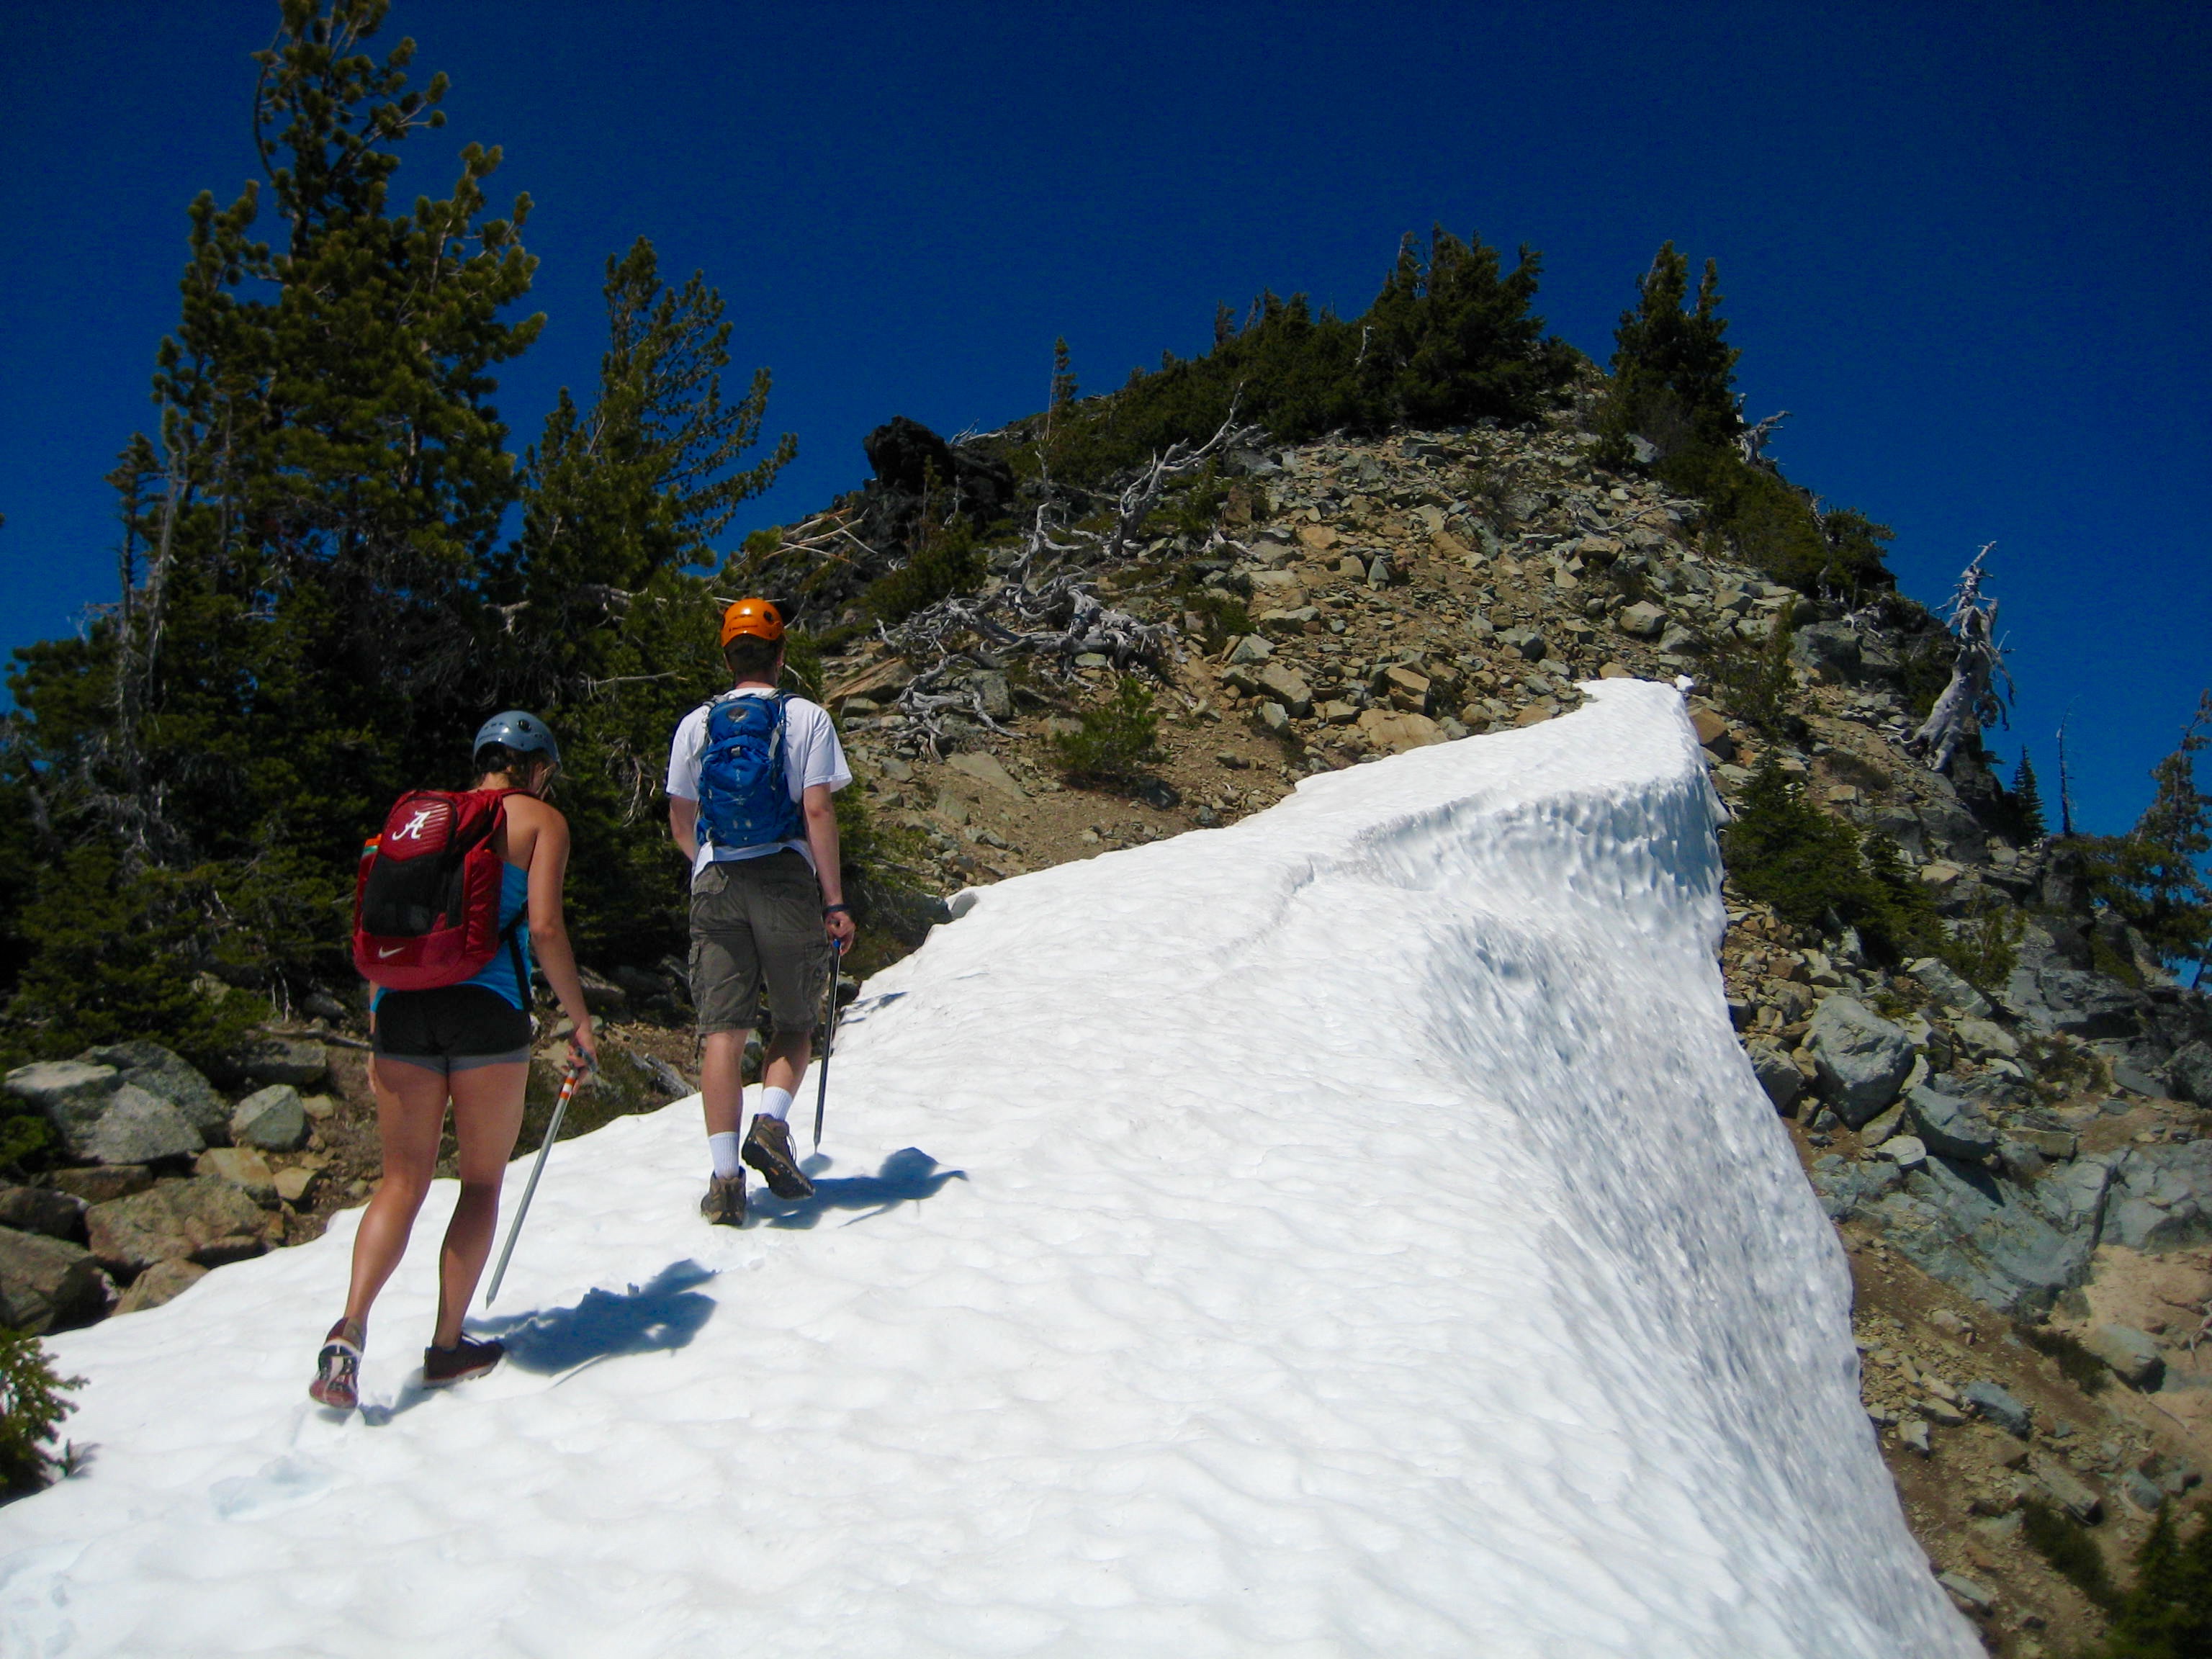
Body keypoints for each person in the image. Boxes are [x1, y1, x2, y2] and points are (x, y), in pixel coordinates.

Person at [309, 712, 599, 1409]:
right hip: (486, 1012)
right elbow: (545, 926)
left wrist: (379, 1011)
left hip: (403, 1009)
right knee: (478, 1184)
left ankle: (346, 1336)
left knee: (400, 1183)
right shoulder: (539, 822)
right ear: (538, 766)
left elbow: (384, 921)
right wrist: (580, 1017)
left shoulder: (415, 823)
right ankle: (446, 1349)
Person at [666, 598, 855, 1226]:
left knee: (721, 1032)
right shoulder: (805, 717)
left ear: (727, 655)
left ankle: (725, 1184)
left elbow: (679, 820)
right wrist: (833, 901)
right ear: (780, 656)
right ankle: (770, 1125)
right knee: (796, 1021)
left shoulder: (696, 725)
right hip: (785, 873)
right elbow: (819, 811)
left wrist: (707, 865)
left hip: (717, 876)